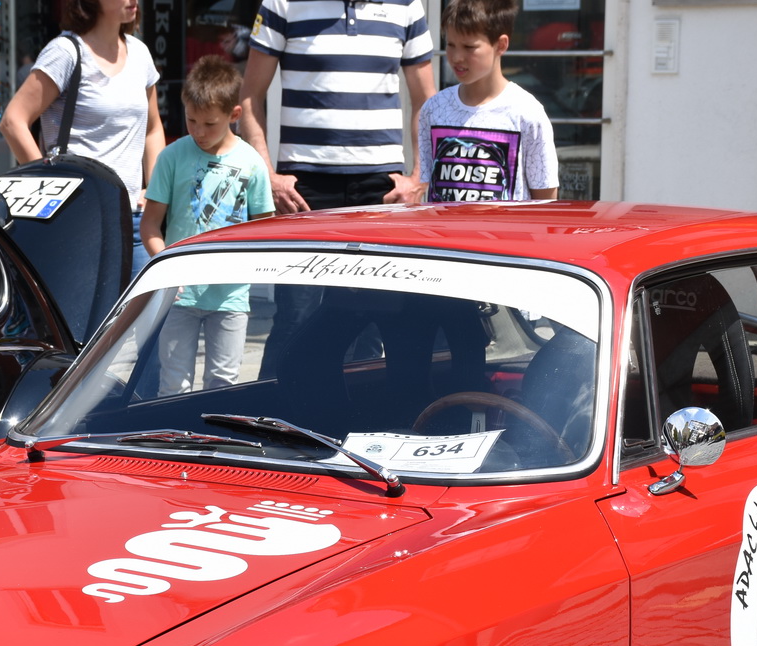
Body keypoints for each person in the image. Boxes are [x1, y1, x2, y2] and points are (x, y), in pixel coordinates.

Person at [236, 0, 435, 376]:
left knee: (382, 320)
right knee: (297, 318)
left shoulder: (408, 6)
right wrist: (268, 177)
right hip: (304, 188)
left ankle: (367, 422)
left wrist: (418, 178)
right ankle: (267, 424)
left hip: (383, 187)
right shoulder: (283, 3)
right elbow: (249, 96)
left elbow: (427, 101)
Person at [0, 0, 165, 273]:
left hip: (135, 222)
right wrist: (51, 188)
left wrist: (155, 190)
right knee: (85, 315)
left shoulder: (140, 53)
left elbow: (153, 128)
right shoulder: (65, 52)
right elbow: (12, 121)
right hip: (79, 220)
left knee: (146, 314)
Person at [140, 58, 274, 394]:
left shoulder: (252, 163)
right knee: (173, 384)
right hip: (178, 296)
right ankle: (171, 442)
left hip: (230, 296)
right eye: (191, 121)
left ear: (234, 116)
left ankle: (211, 446)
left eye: (209, 124)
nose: (198, 132)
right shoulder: (171, 158)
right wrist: (169, 270)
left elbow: (265, 233)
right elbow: (151, 227)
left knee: (222, 384)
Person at [417, 0, 557, 203]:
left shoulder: (526, 112)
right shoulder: (433, 109)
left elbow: (546, 201)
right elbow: (425, 186)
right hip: (444, 234)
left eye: (469, 47)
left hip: (508, 234)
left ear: (501, 45)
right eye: (450, 45)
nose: (456, 57)